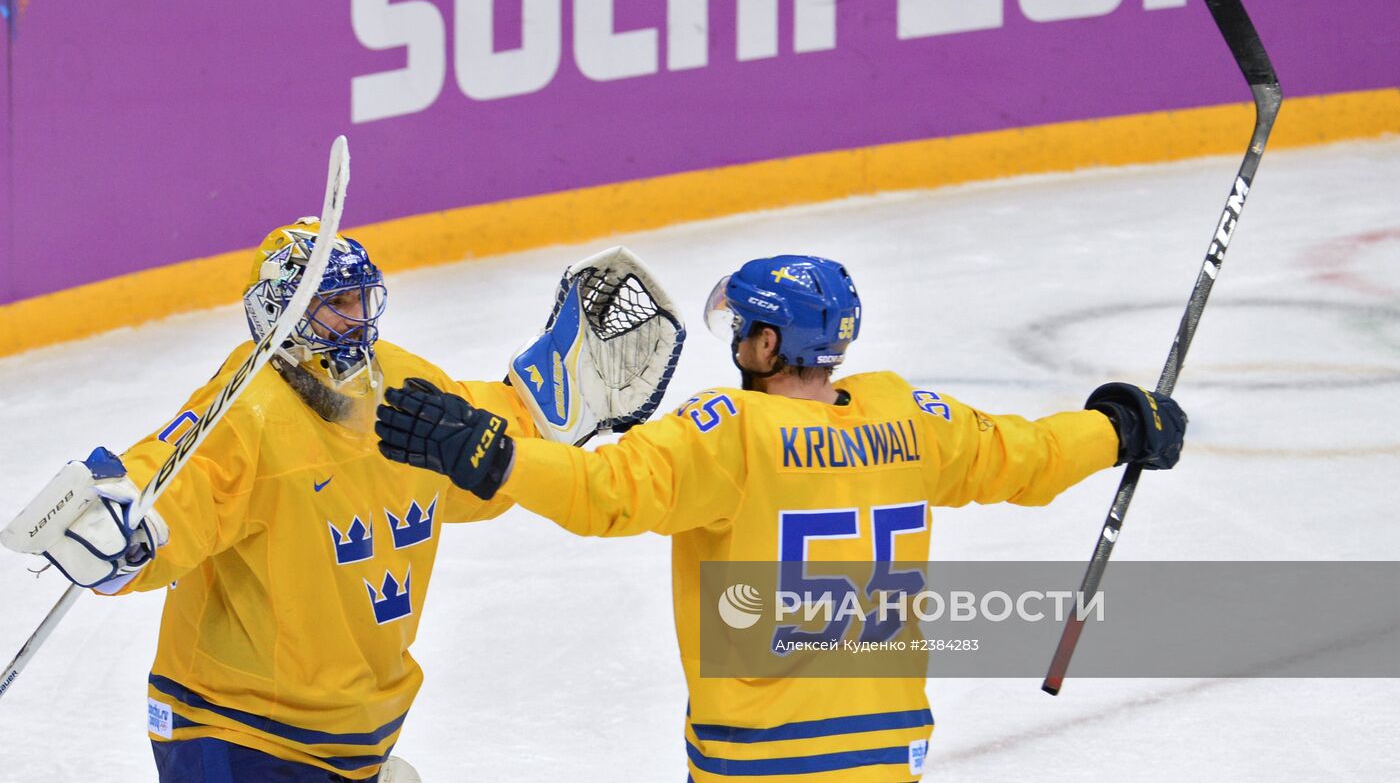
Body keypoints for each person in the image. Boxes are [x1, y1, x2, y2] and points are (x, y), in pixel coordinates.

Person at [374, 254, 1188, 782]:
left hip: (763, 759)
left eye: (741, 329)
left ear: (768, 345)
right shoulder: (910, 417)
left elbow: (604, 492)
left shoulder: (729, 432)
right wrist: (1118, 428)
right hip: (886, 752)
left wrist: (494, 456)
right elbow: (1029, 457)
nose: (735, 341)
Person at [3, 219, 547, 782]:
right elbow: (184, 475)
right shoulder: (247, 407)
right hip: (235, 726)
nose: (355, 315)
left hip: (357, 728)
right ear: (278, 311)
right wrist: (129, 521)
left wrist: (536, 416)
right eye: (334, 302)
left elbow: (468, 455)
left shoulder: (406, 380)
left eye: (359, 296)